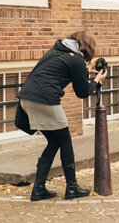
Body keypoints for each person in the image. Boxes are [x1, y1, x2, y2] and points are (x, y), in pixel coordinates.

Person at [18, 30, 106, 201]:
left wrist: (86, 70)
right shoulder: (76, 59)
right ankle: (72, 188)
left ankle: (39, 189)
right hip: (45, 100)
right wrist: (96, 81)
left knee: (53, 142)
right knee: (65, 142)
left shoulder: (56, 50)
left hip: (27, 99)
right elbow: (82, 92)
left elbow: (60, 72)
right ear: (87, 47)